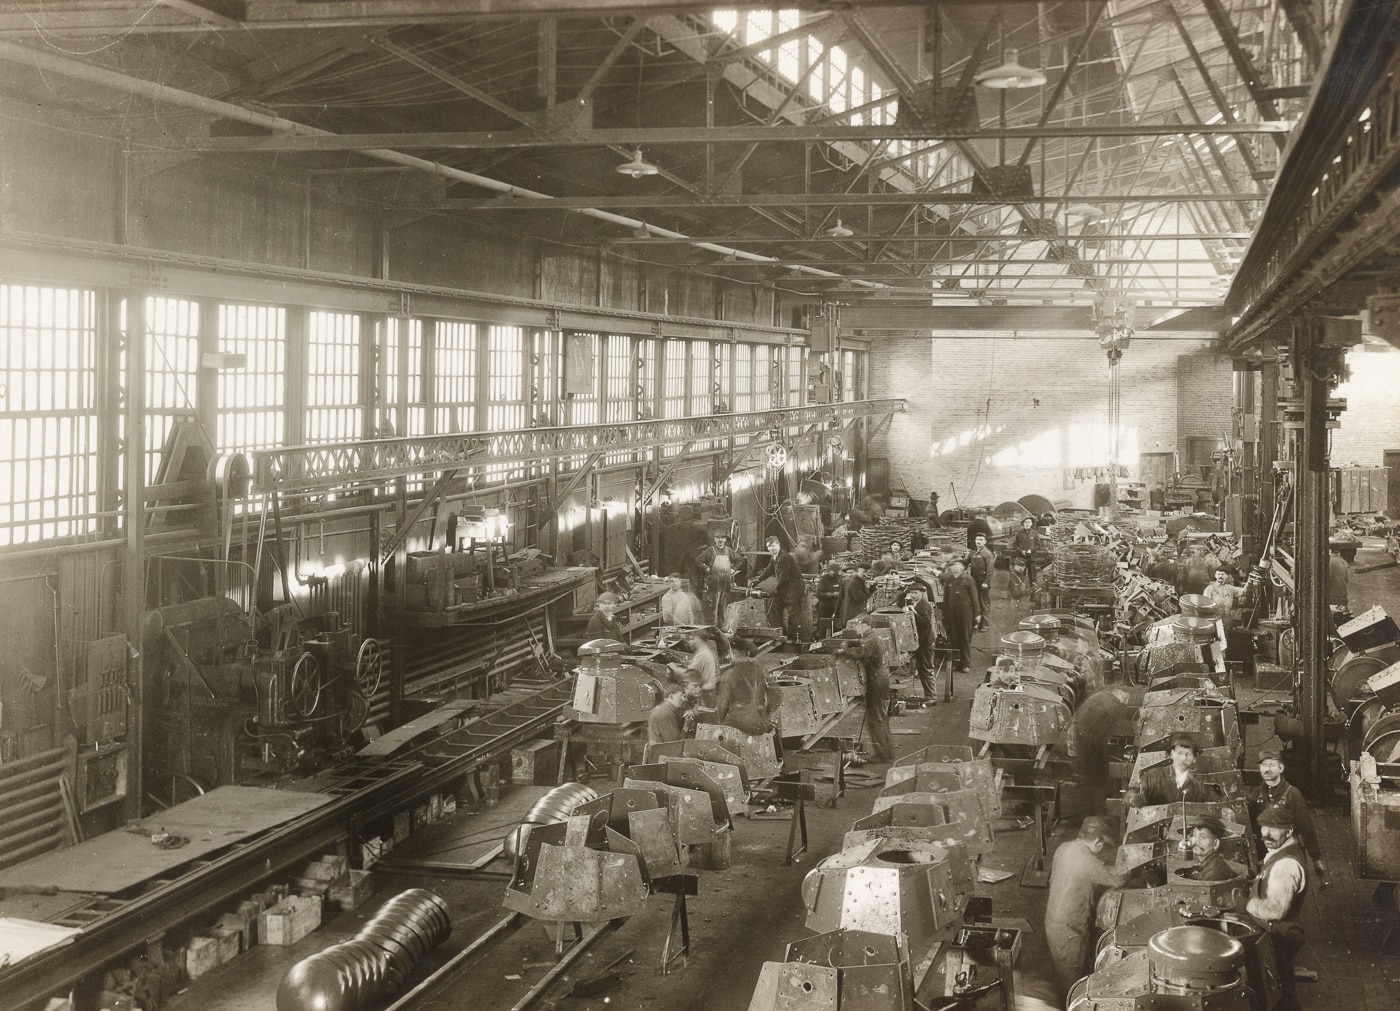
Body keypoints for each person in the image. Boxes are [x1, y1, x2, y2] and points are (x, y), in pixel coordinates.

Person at [1044, 816, 1129, 997]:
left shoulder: (1063, 848)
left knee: (1064, 973)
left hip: (1053, 922)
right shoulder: (1087, 862)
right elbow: (1117, 878)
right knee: (1072, 985)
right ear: (1098, 842)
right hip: (1069, 931)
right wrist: (1130, 863)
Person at [1246, 806, 1310, 1011]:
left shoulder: (1286, 865)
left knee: (1280, 990)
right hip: (1278, 934)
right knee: (1282, 984)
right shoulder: (1282, 851)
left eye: (1273, 828)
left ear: (1289, 831)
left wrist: (1246, 904)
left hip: (1279, 936)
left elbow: (1275, 910)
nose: (1266, 834)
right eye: (1264, 827)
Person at [1250, 747, 1327, 885]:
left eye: (1272, 765)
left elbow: (1306, 829)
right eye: (1264, 766)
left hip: (1287, 855)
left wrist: (1316, 858)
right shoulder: (1255, 795)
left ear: (1281, 768)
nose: (1267, 769)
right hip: (1263, 856)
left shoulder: (1293, 795)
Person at [1069, 687, 1133, 814]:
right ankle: (1095, 811)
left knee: (1094, 773)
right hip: (1086, 738)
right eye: (1125, 698)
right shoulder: (1108, 700)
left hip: (1087, 735)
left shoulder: (1103, 697)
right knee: (1095, 775)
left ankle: (1093, 808)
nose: (1124, 702)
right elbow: (1121, 714)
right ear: (1118, 692)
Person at [842, 624, 893, 763]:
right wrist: (852, 643)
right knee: (882, 717)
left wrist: (845, 650)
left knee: (875, 719)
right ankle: (888, 750)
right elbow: (862, 645)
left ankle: (881, 754)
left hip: (876, 681)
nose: (857, 628)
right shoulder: (873, 637)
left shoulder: (870, 640)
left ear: (867, 626)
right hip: (881, 678)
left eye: (859, 625)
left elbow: (860, 654)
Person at [1126, 733, 1215, 807]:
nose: (1184, 758)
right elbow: (1131, 792)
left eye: (1188, 754)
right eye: (1180, 753)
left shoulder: (1199, 786)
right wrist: (1133, 799)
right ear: (1171, 755)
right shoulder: (1152, 776)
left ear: (1194, 758)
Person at [749, 535, 805, 641]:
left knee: (793, 613)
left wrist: (775, 591)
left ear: (778, 544)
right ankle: (780, 633)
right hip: (785, 585)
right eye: (768, 547)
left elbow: (784, 577)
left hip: (794, 585)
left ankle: (793, 639)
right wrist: (757, 580)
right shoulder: (774, 557)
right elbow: (769, 570)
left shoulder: (784, 557)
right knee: (772, 604)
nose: (771, 549)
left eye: (773, 546)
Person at [941, 559, 980, 674]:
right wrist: (944, 613)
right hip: (952, 613)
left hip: (966, 613)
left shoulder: (968, 580)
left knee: (965, 638)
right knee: (954, 638)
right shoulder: (949, 579)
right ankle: (956, 663)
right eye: (952, 567)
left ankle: (965, 664)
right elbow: (946, 597)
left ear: (962, 568)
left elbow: (975, 597)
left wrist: (977, 614)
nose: (955, 569)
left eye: (957, 567)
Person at [696, 531, 742, 623]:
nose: (720, 540)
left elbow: (739, 559)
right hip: (714, 580)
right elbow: (698, 560)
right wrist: (706, 569)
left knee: (724, 603)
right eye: (718, 538)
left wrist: (734, 569)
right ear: (715, 539)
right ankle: (713, 626)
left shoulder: (728, 551)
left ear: (725, 539)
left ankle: (722, 626)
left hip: (726, 581)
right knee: (713, 604)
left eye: (722, 538)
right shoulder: (710, 550)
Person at [669, 630, 720, 708]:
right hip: (709, 692)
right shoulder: (706, 652)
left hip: (704, 694)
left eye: (693, 639)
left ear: (699, 640)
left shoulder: (701, 656)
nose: (690, 642)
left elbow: (689, 675)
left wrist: (674, 668)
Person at [906, 583, 938, 707]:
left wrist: (913, 612)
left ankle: (931, 697)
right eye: (911, 593)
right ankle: (929, 695)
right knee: (923, 669)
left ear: (922, 593)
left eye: (916, 593)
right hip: (922, 642)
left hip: (926, 642)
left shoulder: (923, 605)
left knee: (926, 669)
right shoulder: (917, 603)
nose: (913, 595)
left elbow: (925, 623)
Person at [1181, 816, 1237, 882]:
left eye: (1203, 837)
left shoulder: (1214, 873)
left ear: (1215, 843)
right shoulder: (1206, 863)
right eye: (1194, 835)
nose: (1196, 841)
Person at [647, 678, 691, 745]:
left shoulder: (662, 708)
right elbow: (674, 744)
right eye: (681, 696)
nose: (683, 699)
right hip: (662, 753)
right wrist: (686, 726)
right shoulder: (667, 713)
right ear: (671, 696)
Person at [968, 533, 995, 629]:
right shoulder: (973, 553)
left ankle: (985, 624)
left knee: (984, 602)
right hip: (974, 582)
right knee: (976, 601)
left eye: (981, 539)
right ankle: (977, 622)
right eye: (977, 539)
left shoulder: (987, 554)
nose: (978, 541)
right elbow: (965, 562)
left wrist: (986, 582)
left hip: (983, 583)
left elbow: (990, 570)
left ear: (985, 542)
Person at [837, 561, 871, 629]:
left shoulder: (859, 581)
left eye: (866, 572)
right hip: (853, 616)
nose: (865, 574)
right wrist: (867, 589)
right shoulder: (855, 583)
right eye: (863, 572)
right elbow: (859, 598)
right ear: (858, 571)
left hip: (855, 615)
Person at [814, 560, 842, 639]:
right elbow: (818, 594)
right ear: (829, 571)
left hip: (836, 609)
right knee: (824, 628)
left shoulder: (839, 579)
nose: (835, 574)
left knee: (836, 628)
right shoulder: (824, 580)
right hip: (825, 609)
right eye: (833, 572)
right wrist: (832, 594)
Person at [1012, 516, 1040, 591]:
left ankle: (1033, 593)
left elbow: (1038, 545)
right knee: (1020, 575)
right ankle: (1019, 592)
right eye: (1025, 522)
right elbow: (1015, 545)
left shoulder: (1035, 533)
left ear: (1031, 524)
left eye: (1029, 522)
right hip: (1021, 557)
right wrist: (1021, 551)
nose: (1027, 524)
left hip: (1032, 558)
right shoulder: (1019, 534)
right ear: (1023, 524)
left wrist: (1031, 550)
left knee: (1032, 577)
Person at [1328, 542, 1350, 611]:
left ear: (1330, 552)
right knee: (1343, 612)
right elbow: (1346, 580)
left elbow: (1329, 578)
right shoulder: (1344, 562)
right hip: (1343, 592)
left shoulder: (1330, 562)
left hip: (1334, 594)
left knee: (1334, 614)